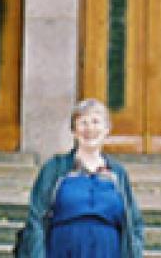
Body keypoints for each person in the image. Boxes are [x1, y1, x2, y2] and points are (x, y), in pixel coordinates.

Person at [16, 98, 144, 257]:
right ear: (74, 130)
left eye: (96, 122)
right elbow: (36, 219)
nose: (90, 128)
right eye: (83, 122)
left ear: (107, 129)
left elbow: (134, 222)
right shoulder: (55, 168)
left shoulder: (117, 173)